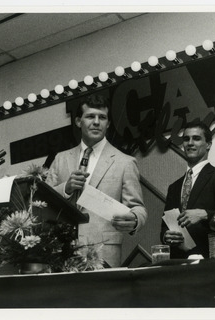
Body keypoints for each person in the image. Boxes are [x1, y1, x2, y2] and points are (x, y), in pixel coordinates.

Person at [46, 94, 147, 267]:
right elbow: (43, 202)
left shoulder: (125, 162)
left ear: (108, 124)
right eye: (90, 116)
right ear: (78, 122)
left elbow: (138, 208)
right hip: (61, 251)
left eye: (102, 117)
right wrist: (66, 188)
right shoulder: (60, 159)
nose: (96, 122)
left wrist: (136, 219)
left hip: (104, 253)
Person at [160, 121, 215, 259]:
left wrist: (204, 214)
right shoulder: (174, 187)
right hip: (177, 263)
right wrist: (166, 237)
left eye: (196, 138)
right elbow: (164, 227)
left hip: (211, 262)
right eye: (186, 139)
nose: (190, 143)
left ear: (208, 144)